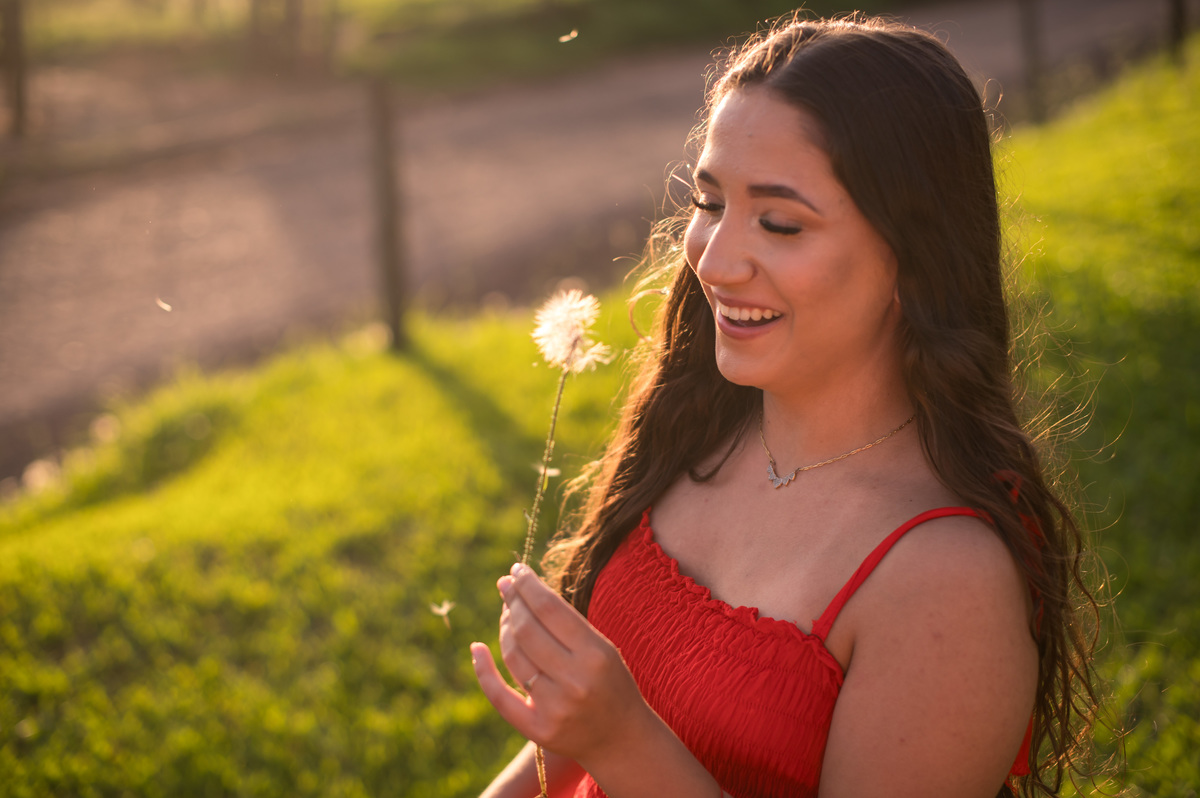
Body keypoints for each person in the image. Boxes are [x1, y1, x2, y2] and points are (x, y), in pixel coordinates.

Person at [470, 13, 1100, 798]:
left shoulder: (947, 584)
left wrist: (623, 740)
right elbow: (563, 754)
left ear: (915, 254)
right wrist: (585, 728)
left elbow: (607, 735)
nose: (716, 260)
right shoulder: (695, 435)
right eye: (709, 203)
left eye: (778, 222)